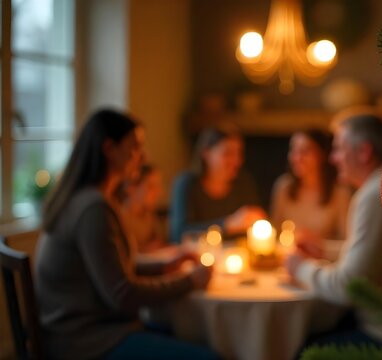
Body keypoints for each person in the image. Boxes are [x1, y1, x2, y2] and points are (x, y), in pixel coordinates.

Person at [35, 109, 219, 360]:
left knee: (193, 334)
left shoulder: (84, 199)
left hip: (81, 331)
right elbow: (123, 294)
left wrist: (166, 266)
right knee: (210, 357)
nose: (141, 157)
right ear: (109, 148)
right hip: (87, 343)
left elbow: (112, 268)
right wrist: (190, 281)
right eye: (134, 147)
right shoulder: (94, 209)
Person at [284, 110, 382, 347]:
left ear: (364, 152)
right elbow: (377, 254)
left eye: (339, 148)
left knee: (297, 346)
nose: (332, 158)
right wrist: (324, 251)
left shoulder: (375, 194)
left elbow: (348, 287)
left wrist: (300, 268)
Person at [169, 125, 265, 242]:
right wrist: (227, 224)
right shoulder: (187, 184)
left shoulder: (243, 183)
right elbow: (179, 234)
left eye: (238, 153)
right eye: (228, 153)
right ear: (206, 153)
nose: (236, 160)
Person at [270, 129, 351, 244]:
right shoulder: (284, 187)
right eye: (294, 150)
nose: (297, 157)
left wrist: (316, 243)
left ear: (322, 155)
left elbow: (347, 242)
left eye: (305, 151)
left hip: (323, 260)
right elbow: (275, 234)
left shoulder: (339, 193)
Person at [117, 164, 168, 253]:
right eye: (151, 186)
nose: (158, 192)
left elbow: (158, 243)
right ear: (131, 188)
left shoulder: (148, 215)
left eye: (158, 186)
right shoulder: (120, 219)